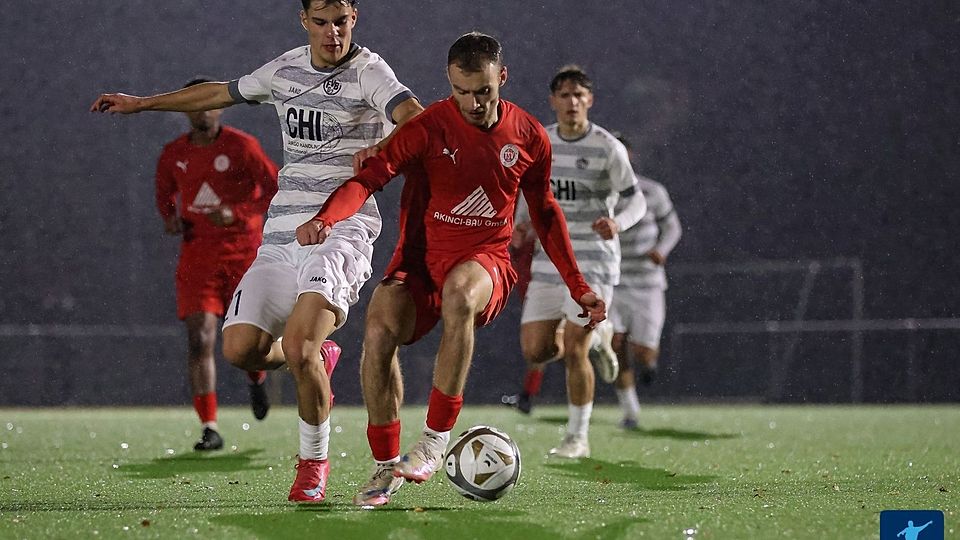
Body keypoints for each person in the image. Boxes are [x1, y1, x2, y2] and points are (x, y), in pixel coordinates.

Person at [91, 0, 423, 502]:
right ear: (303, 21)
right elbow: (220, 91)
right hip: (281, 236)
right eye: (321, 22)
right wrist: (142, 104)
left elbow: (415, 119)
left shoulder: (369, 72)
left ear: (354, 17)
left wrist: (384, 146)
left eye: (342, 21)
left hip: (341, 231)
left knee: (299, 347)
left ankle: (312, 465)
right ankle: (314, 357)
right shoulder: (285, 69)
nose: (332, 33)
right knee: (239, 349)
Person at [295, 32, 606, 507]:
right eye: (463, 92)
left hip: (487, 264)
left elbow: (544, 212)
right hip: (420, 265)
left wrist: (578, 286)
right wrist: (325, 218)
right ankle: (386, 467)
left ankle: (436, 441)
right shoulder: (427, 127)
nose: (474, 103)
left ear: (501, 78)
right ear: (450, 82)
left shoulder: (528, 135)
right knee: (378, 326)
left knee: (461, 293)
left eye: (484, 91)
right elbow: (367, 180)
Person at [514, 65, 647, 458]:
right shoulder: (541, 142)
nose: (572, 102)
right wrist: (521, 225)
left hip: (594, 263)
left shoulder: (608, 147)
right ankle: (598, 341)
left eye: (579, 96)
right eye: (565, 95)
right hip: (549, 260)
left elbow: (635, 199)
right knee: (535, 350)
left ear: (589, 101)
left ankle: (577, 437)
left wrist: (618, 222)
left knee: (574, 347)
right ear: (553, 101)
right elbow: (530, 193)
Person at [155, 77, 280, 451]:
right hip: (198, 257)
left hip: (244, 255)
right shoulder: (173, 153)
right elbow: (164, 195)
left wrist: (239, 213)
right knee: (201, 338)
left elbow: (274, 188)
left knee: (248, 339)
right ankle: (209, 426)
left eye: (208, 103)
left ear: (220, 107)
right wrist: (170, 219)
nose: (202, 110)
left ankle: (256, 379)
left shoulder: (242, 146)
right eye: (193, 105)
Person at [608, 134, 682, 429]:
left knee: (643, 352)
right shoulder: (599, 192)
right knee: (615, 345)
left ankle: (649, 364)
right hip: (612, 280)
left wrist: (661, 250)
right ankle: (630, 411)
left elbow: (673, 226)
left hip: (648, 282)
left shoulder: (652, 191)